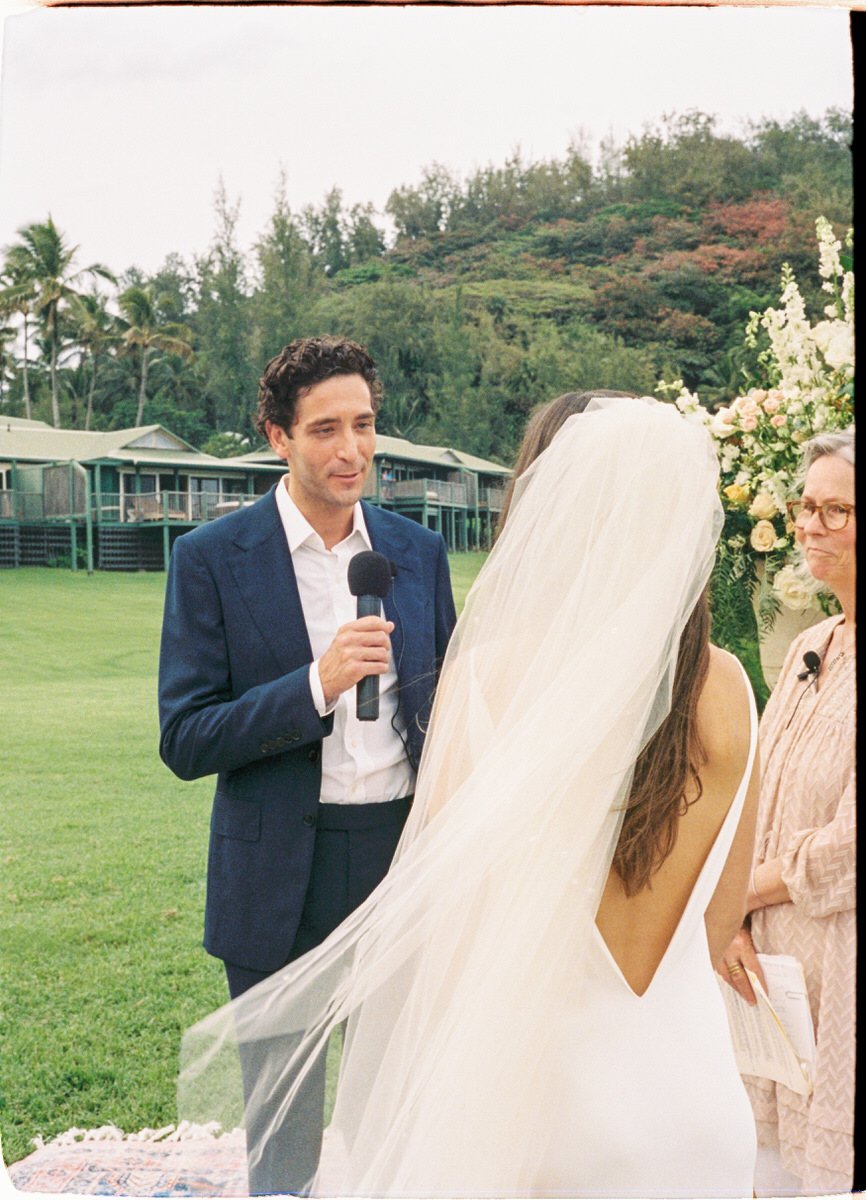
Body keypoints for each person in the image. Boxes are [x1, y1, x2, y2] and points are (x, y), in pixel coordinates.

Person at [179, 395, 760, 1197]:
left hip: (549, 1115)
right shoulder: (731, 684)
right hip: (700, 1108)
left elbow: (449, 927)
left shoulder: (493, 675)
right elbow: (722, 916)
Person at [159, 335, 456, 1194]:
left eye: (364, 425)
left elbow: (446, 708)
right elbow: (186, 737)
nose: (351, 450)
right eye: (325, 428)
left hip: (400, 862)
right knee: (282, 1133)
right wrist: (316, 686)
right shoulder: (211, 560)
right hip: (276, 868)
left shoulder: (416, 552)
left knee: (396, 1109)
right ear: (277, 436)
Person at [720, 427, 855, 1196]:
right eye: (806, 507)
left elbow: (851, 847)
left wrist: (741, 892)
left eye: (835, 511)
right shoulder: (813, 641)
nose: (809, 527)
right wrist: (732, 923)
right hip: (768, 976)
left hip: (844, 972)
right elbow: (754, 798)